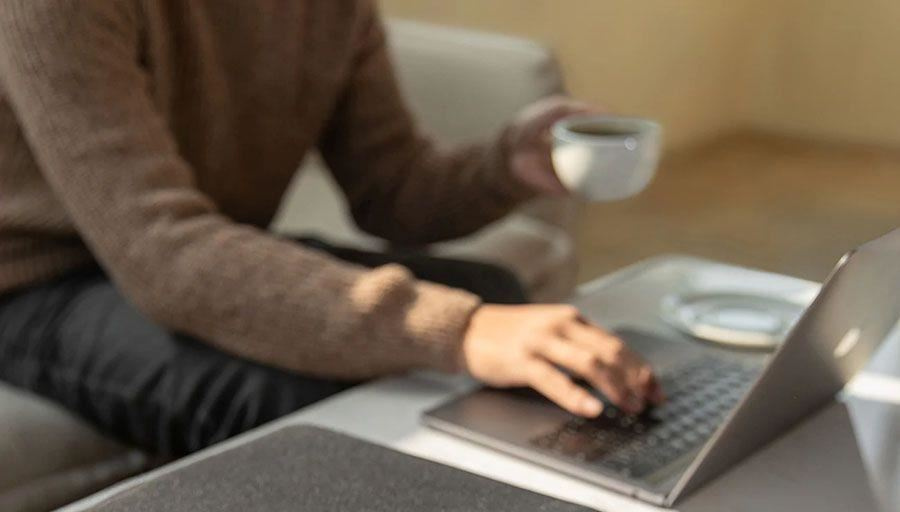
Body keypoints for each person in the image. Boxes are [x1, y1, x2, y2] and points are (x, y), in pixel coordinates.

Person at [0, 0, 662, 457]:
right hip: (36, 283)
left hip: (204, 241)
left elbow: (393, 193)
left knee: (497, 291)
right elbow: (161, 255)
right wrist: (458, 331)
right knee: (301, 399)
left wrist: (508, 163)